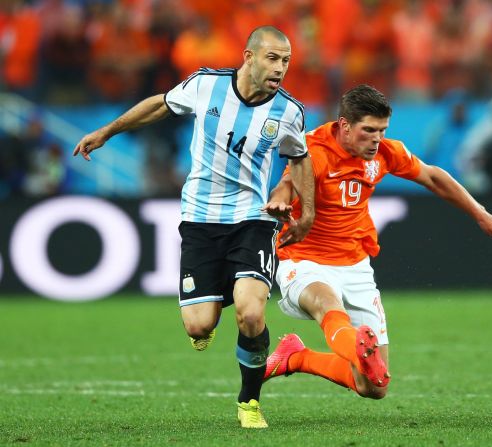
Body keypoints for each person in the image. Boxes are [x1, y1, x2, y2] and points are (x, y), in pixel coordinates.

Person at [73, 26, 315, 429]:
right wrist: (107, 132)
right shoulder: (206, 86)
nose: (280, 68)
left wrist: (304, 213)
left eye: (286, 61)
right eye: (273, 58)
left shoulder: (288, 111)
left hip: (253, 219)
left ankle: (249, 401)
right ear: (249, 57)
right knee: (200, 325)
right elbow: (159, 106)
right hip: (200, 219)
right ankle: (214, 304)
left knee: (251, 313)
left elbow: (300, 157)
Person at [262, 84, 492, 399]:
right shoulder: (313, 151)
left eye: (382, 130)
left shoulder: (384, 152)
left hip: (356, 265)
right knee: (327, 304)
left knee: (373, 387)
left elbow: (432, 176)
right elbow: (287, 185)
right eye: (369, 130)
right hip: (305, 260)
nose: (376, 138)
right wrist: (278, 202)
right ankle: (354, 344)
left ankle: (295, 356)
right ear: (344, 126)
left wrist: (480, 213)